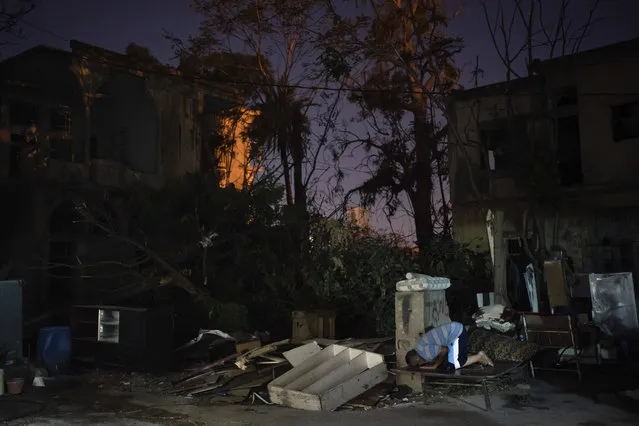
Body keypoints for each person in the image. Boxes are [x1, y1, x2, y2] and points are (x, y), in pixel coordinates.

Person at [405, 322, 494, 371]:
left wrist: (434, 366)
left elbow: (444, 350)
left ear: (416, 359)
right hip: (455, 330)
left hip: (455, 333)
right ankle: (476, 358)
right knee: (453, 360)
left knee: (455, 364)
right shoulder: (419, 347)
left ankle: (479, 356)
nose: (419, 365)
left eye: (416, 364)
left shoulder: (424, 353)